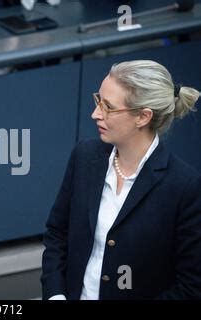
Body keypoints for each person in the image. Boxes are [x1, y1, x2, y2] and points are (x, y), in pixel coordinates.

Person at [41, 60, 201, 300]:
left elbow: (191, 287)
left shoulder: (184, 187)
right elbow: (57, 234)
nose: (95, 114)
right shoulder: (85, 156)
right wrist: (56, 296)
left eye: (108, 107)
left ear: (143, 117)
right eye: (98, 101)